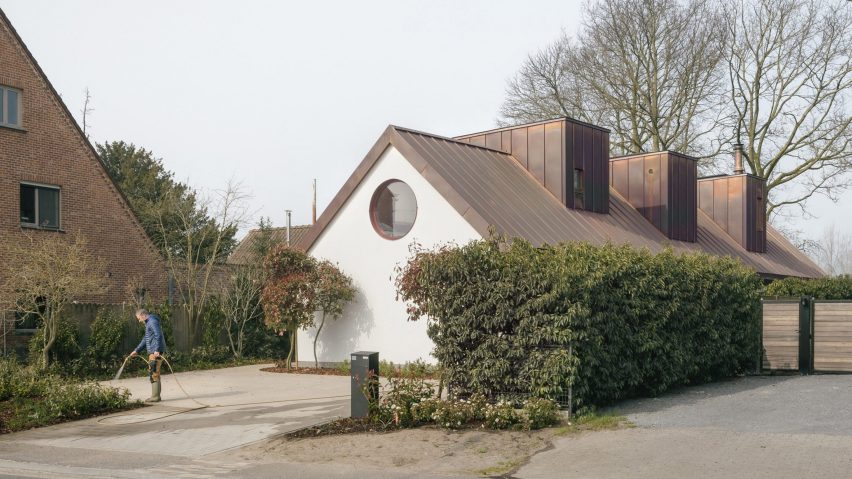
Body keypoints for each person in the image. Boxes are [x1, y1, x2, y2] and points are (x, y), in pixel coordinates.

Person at [129, 308, 167, 402]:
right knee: (155, 372)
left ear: (143, 315)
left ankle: (155, 397)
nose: (139, 320)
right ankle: (156, 396)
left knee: (153, 372)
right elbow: (145, 339)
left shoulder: (152, 321)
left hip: (155, 351)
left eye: (139, 318)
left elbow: (158, 335)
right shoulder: (149, 323)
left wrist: (157, 350)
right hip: (153, 351)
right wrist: (136, 350)